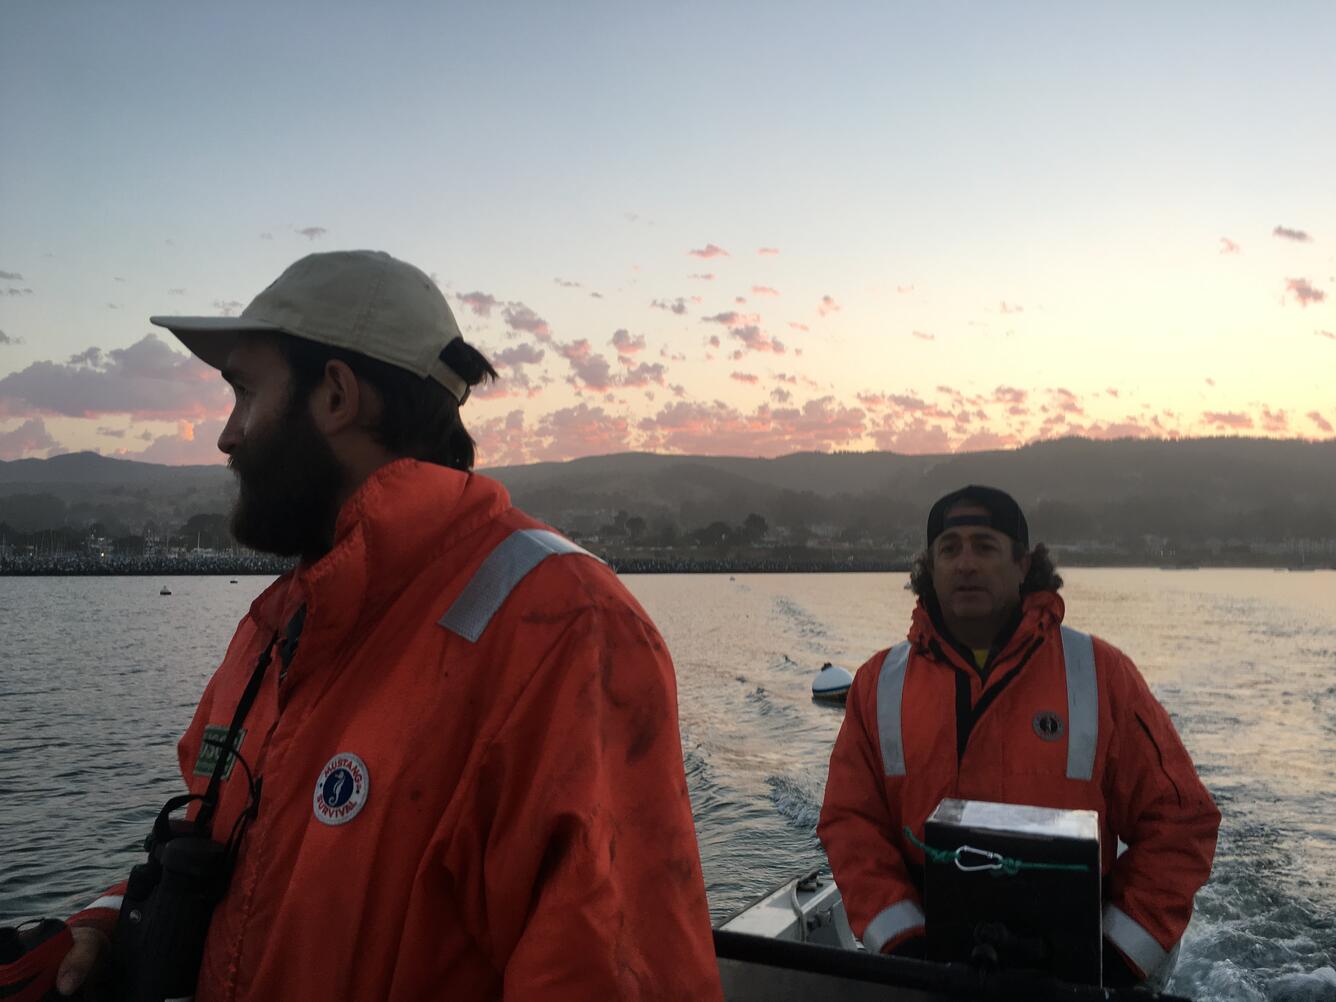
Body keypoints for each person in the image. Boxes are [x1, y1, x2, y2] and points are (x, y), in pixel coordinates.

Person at [56, 250, 724, 1001]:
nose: (227, 435)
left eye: (244, 393)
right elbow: (215, 847)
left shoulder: (567, 630)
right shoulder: (275, 628)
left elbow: (613, 972)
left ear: (336, 395)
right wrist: (109, 926)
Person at [817, 485, 1220, 987]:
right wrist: (906, 944)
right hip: (927, 969)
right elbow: (850, 822)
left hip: (1080, 971)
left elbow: (1182, 821)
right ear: (930, 566)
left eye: (984, 546)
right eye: (950, 548)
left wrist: (1115, 957)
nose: (965, 563)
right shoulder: (879, 684)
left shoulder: (1100, 674)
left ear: (1022, 564)